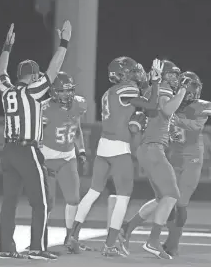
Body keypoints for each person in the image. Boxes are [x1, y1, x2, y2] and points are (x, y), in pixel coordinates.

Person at [67, 56, 160, 257]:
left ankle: (72, 235)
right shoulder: (127, 90)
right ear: (124, 73)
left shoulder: (109, 92)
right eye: (133, 70)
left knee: (93, 192)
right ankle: (109, 245)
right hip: (119, 148)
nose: (137, 73)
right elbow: (152, 106)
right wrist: (154, 83)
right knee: (124, 197)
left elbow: (134, 107)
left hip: (103, 146)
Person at [0, 21, 72, 260]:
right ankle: (37, 248)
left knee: (9, 202)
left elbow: (1, 73)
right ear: (32, 77)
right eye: (37, 75)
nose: (41, 77)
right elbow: (53, 70)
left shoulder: (7, 90)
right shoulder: (32, 91)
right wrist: (64, 44)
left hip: (8, 150)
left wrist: (7, 47)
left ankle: (6, 248)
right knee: (41, 203)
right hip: (27, 150)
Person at [118, 59, 188, 260]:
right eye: (173, 74)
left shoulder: (156, 90)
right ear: (164, 75)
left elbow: (161, 116)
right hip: (152, 148)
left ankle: (126, 228)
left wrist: (170, 133)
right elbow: (166, 110)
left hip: (149, 148)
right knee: (172, 194)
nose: (176, 78)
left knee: (161, 199)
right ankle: (153, 240)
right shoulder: (164, 89)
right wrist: (182, 93)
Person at [163, 71, 211, 256]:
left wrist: (173, 117)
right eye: (191, 87)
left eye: (195, 87)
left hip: (192, 159)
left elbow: (196, 127)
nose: (194, 91)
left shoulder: (202, 106)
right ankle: (170, 238)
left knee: (181, 202)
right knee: (167, 200)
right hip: (174, 155)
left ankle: (173, 243)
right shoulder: (172, 104)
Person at [40, 71, 91, 251]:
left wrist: (82, 151)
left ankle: (70, 238)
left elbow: (76, 128)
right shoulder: (44, 108)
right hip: (46, 159)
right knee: (47, 203)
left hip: (68, 157)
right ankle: (40, 240)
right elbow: (35, 134)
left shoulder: (79, 103)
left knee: (74, 199)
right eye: (62, 91)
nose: (67, 94)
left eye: (69, 90)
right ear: (53, 91)